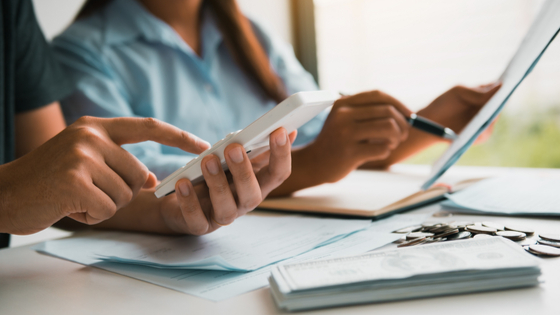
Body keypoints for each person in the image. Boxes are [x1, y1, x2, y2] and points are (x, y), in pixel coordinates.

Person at [52, 0, 500, 198]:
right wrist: (312, 164)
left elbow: (331, 142)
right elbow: (132, 187)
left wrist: (440, 120)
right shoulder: (83, 51)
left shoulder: (251, 34)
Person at [0, 0, 294, 248]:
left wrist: (165, 213)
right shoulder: (85, 49)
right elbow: (38, 187)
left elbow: (56, 185)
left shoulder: (13, 9)